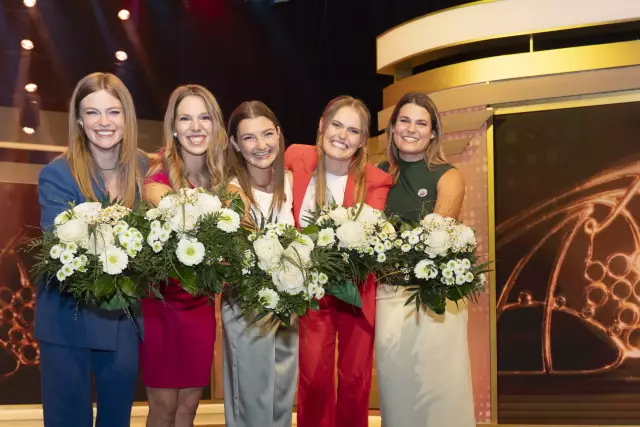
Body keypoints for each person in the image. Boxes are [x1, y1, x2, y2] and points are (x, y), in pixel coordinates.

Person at [36, 72, 146, 427]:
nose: (104, 122)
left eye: (113, 112)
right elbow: (61, 245)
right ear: (80, 120)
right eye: (93, 113)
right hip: (67, 316)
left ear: (126, 117)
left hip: (122, 319)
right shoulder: (58, 173)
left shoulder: (145, 169)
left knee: (118, 420)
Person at [285, 95, 392, 427]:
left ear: (362, 140)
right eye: (336, 125)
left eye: (353, 130)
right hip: (311, 292)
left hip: (355, 289)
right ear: (321, 125)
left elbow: (365, 233)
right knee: (313, 380)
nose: (343, 136)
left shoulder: (375, 179)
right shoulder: (295, 156)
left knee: (354, 380)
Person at [375, 91, 475, 426]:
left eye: (422, 123)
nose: (411, 129)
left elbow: (437, 242)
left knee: (440, 393)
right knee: (397, 392)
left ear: (433, 132)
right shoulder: (376, 174)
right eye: (404, 120)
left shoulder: (448, 176)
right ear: (392, 127)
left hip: (433, 304)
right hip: (387, 299)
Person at [138, 84, 227, 427]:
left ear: (215, 125)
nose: (195, 127)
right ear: (173, 127)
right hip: (161, 304)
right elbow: (176, 212)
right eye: (185, 118)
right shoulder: (157, 175)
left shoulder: (222, 179)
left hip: (199, 307)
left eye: (204, 117)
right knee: (163, 408)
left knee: (188, 410)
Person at [221, 100, 297, 427]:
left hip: (289, 304)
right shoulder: (232, 193)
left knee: (281, 396)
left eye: (267, 134)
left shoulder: (292, 182)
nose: (261, 145)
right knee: (252, 399)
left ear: (279, 134)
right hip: (247, 305)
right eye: (249, 138)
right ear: (235, 144)